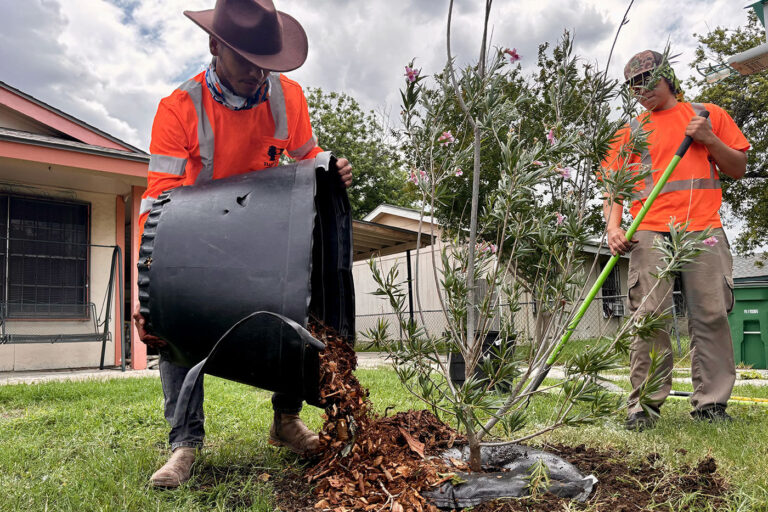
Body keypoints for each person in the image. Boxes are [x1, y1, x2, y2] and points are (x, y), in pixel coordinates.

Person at [132, 0, 353, 488]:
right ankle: (184, 445)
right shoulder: (178, 108)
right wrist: (145, 292)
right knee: (171, 326)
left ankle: (286, 420)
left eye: (266, 62)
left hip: (264, 235)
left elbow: (306, 156)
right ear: (215, 46)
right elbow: (156, 202)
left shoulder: (287, 96)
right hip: (196, 241)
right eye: (247, 60)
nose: (259, 73)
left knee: (298, 311)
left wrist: (328, 164)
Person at [602, 50, 749, 431]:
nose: (640, 90)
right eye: (632, 84)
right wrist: (614, 228)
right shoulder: (630, 133)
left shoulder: (706, 114)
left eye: (646, 80)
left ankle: (711, 404)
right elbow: (614, 191)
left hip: (703, 229)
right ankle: (643, 407)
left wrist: (710, 139)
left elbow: (738, 168)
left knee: (712, 315)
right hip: (650, 230)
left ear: (666, 76)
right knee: (649, 318)